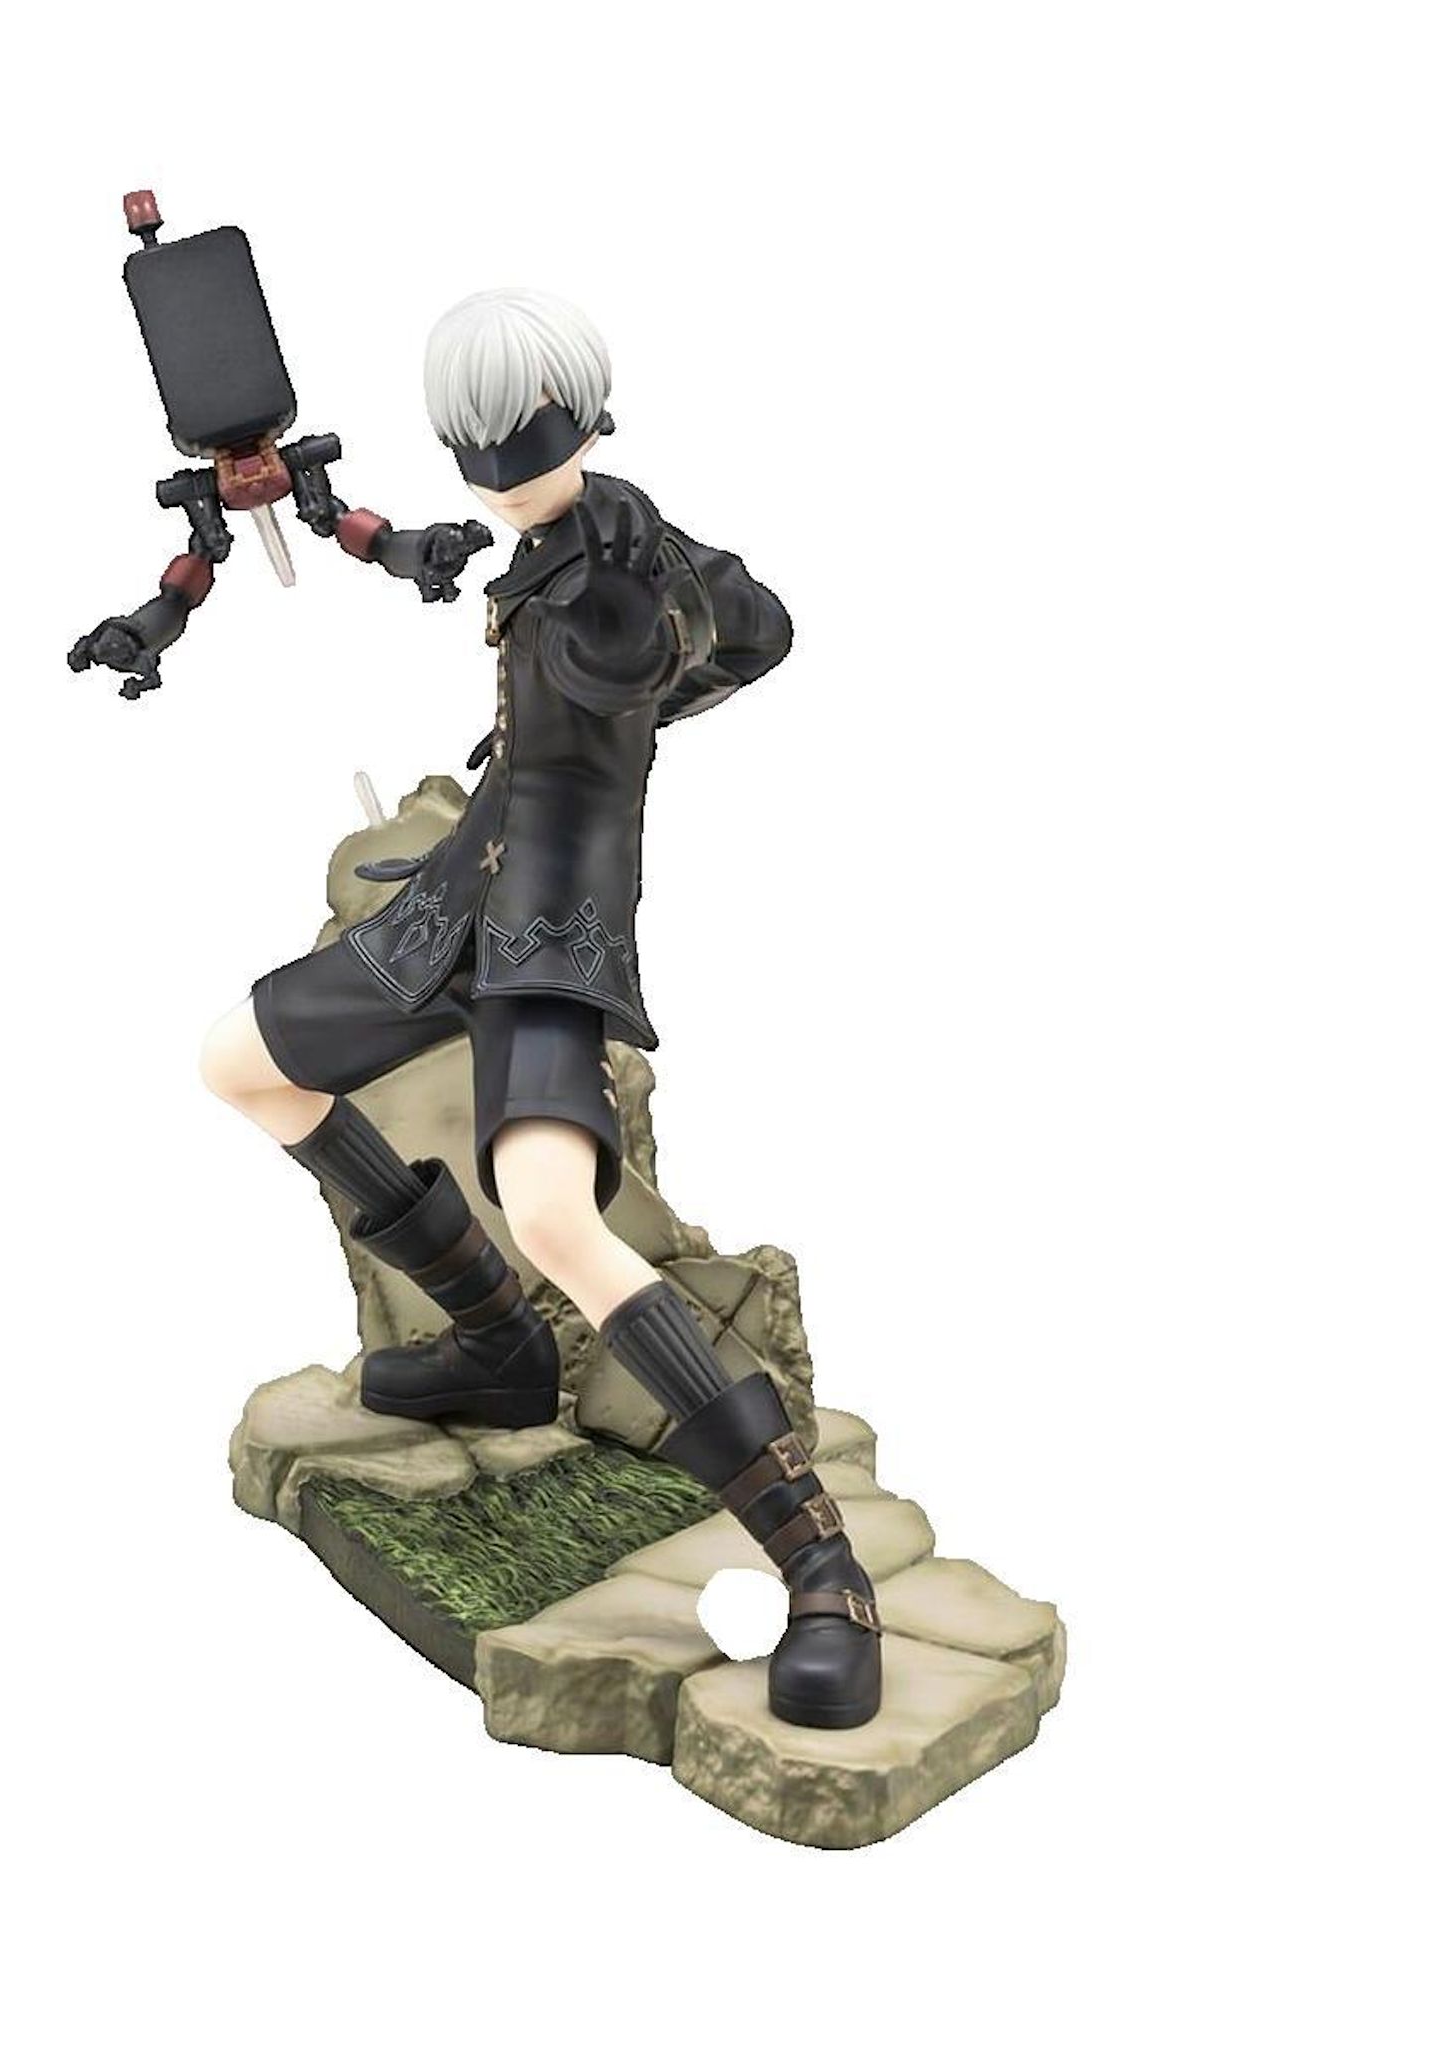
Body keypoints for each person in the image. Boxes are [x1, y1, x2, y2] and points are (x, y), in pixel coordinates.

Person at [197, 288, 884, 1728]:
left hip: (551, 933)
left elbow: (740, 634)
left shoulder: (627, 574)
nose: (502, 476)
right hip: (456, 899)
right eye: (478, 450)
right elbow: (465, 580)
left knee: (560, 1216)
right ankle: (494, 1341)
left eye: (524, 443)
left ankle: (819, 1562)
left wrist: (656, 661)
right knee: (244, 1064)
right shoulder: (550, 548)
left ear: (583, 420)